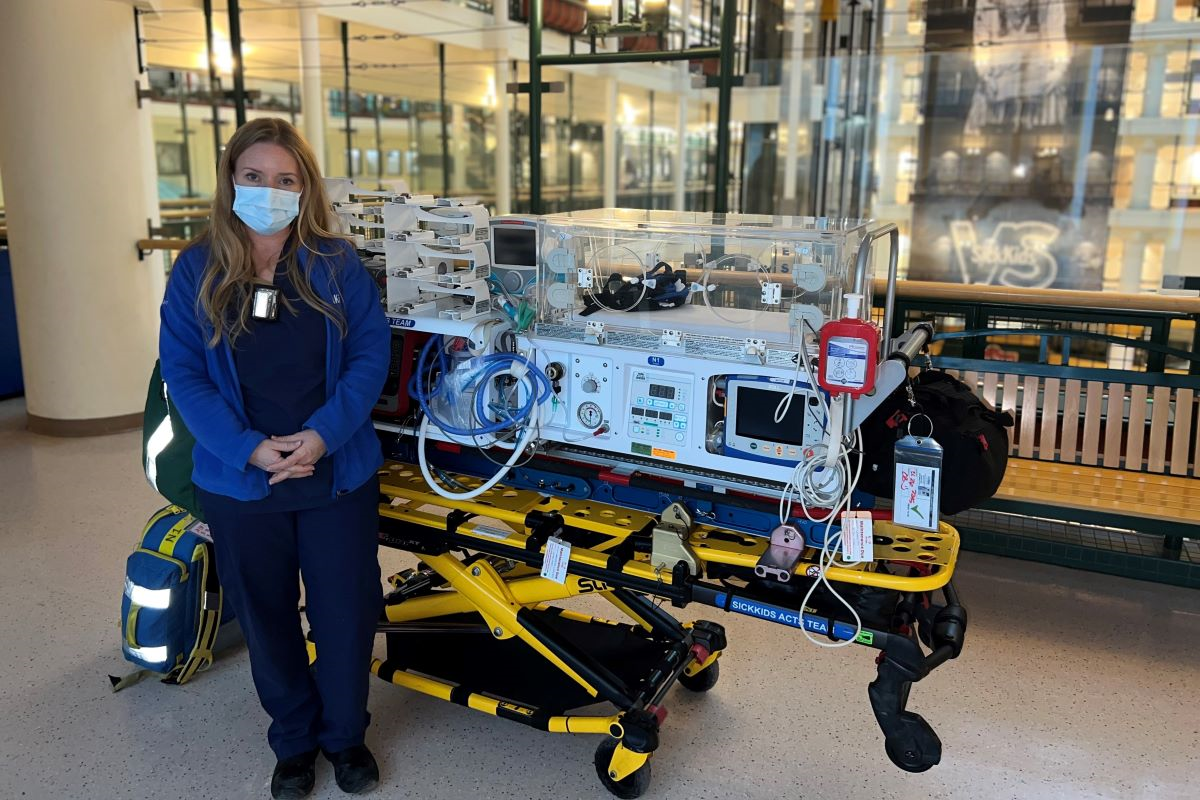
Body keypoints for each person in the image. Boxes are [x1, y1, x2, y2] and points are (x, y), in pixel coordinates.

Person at [159, 118, 391, 799]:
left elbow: (369, 356)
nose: (269, 189)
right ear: (231, 179)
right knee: (265, 615)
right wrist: (248, 450)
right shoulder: (198, 267)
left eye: (285, 180)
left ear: (304, 188)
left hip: (335, 474)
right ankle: (293, 743)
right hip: (242, 482)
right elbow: (183, 373)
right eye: (254, 177)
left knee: (345, 611)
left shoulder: (336, 264)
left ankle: (345, 737)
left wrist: (321, 436)